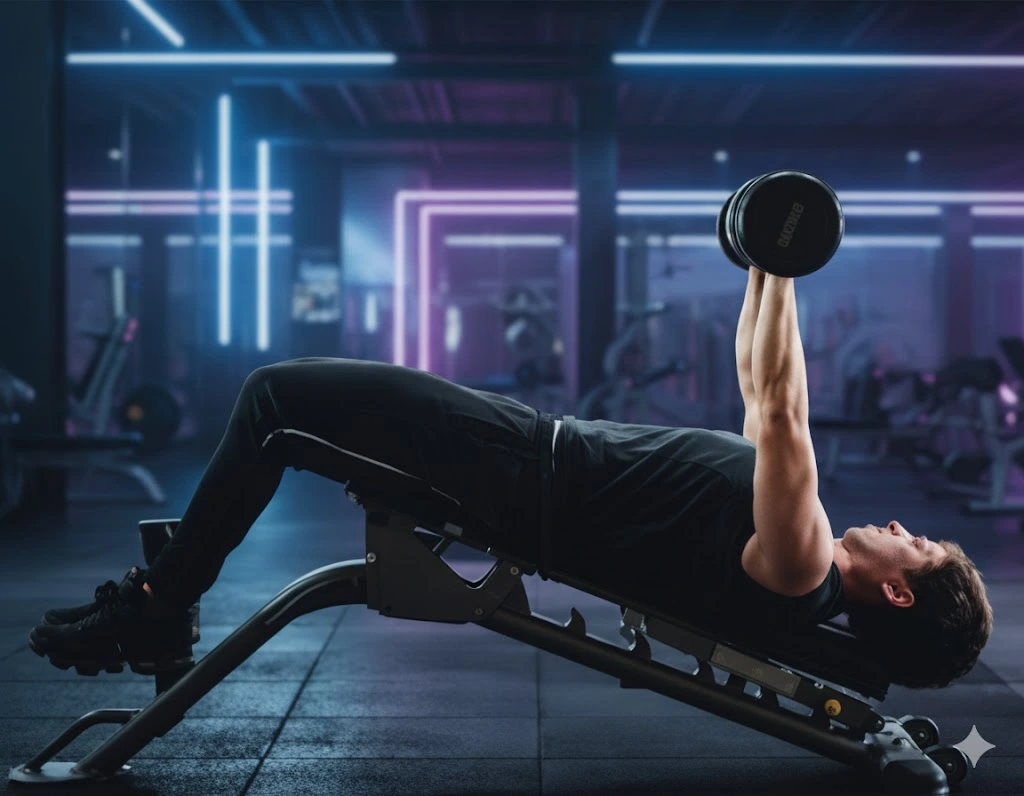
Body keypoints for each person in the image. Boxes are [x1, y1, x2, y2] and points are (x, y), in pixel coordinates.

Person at [30, 269, 992, 689]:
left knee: (274, 396)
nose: (906, 524)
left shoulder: (801, 565)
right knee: (280, 418)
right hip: (524, 457)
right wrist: (759, 265)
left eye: (920, 542)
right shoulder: (801, 561)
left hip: (522, 467)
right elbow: (758, 394)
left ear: (899, 587)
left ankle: (158, 602)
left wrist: (783, 269)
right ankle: (162, 594)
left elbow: (784, 413)